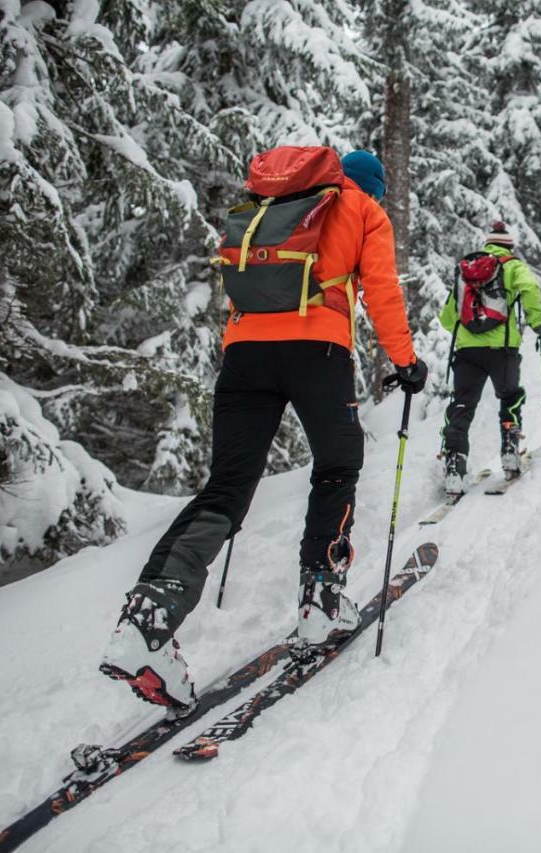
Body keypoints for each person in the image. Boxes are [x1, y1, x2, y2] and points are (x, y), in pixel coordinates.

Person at [99, 148, 427, 710]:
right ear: (370, 187)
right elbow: (381, 290)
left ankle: (147, 621)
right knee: (337, 464)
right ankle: (320, 601)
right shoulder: (364, 211)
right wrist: (405, 361)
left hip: (244, 352)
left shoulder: (273, 204)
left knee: (228, 484)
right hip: (317, 352)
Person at [439, 221, 541, 493]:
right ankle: (510, 454)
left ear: (488, 244)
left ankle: (454, 468)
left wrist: (470, 333)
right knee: (510, 398)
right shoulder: (512, 266)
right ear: (509, 245)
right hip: (503, 350)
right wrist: (536, 324)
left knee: (462, 405)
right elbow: (531, 290)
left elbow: (447, 318)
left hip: (467, 352)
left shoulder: (467, 271)